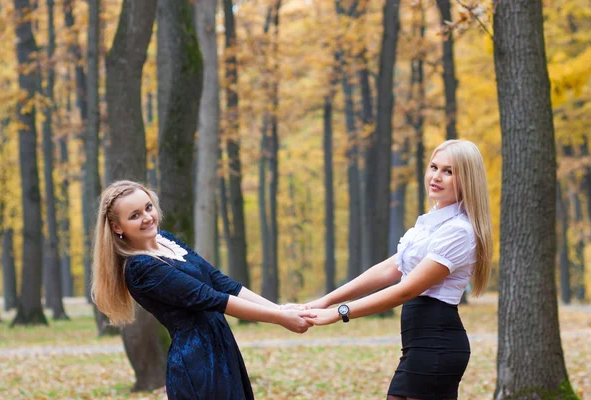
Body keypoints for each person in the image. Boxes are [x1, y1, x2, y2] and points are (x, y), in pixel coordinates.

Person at [303, 140, 493, 400]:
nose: (436, 177)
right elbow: (388, 269)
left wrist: (340, 313)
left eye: (449, 171)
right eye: (434, 167)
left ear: (467, 179)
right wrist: (325, 301)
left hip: (437, 346)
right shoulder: (430, 225)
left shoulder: (458, 231)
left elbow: (406, 291)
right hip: (418, 347)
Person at [91, 180, 313, 400]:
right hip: (197, 361)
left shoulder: (166, 240)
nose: (147, 217)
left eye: (148, 207)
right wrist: (280, 318)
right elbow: (210, 298)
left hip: (221, 347)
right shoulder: (140, 268)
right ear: (117, 227)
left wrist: (279, 308)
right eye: (134, 215)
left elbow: (219, 282)